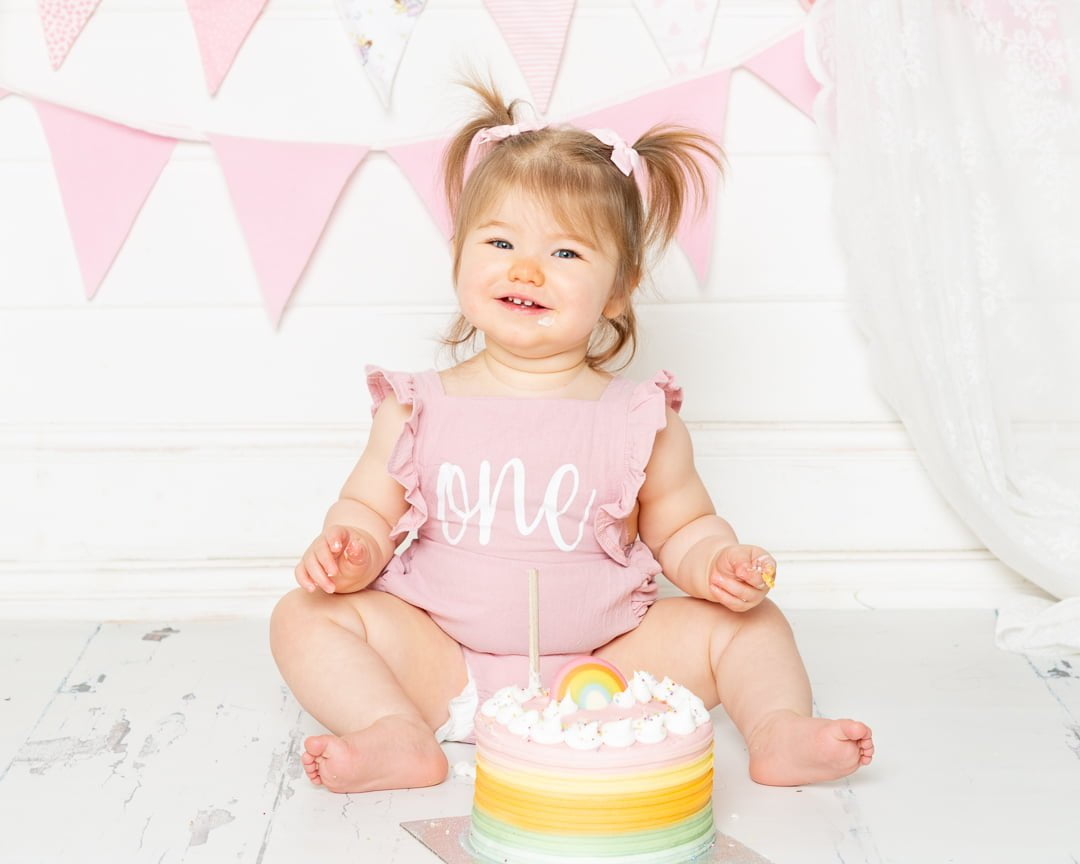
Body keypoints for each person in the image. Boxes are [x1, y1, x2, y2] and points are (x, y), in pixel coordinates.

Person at [269, 81, 874, 795]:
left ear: (617, 290)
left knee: (751, 625)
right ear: (460, 254)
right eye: (499, 242)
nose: (526, 268)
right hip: (443, 660)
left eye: (565, 254)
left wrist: (717, 563)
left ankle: (779, 732)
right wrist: (350, 551)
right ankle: (396, 733)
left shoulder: (638, 417)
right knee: (303, 615)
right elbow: (365, 510)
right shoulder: (415, 407)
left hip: (606, 667)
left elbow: (683, 525)